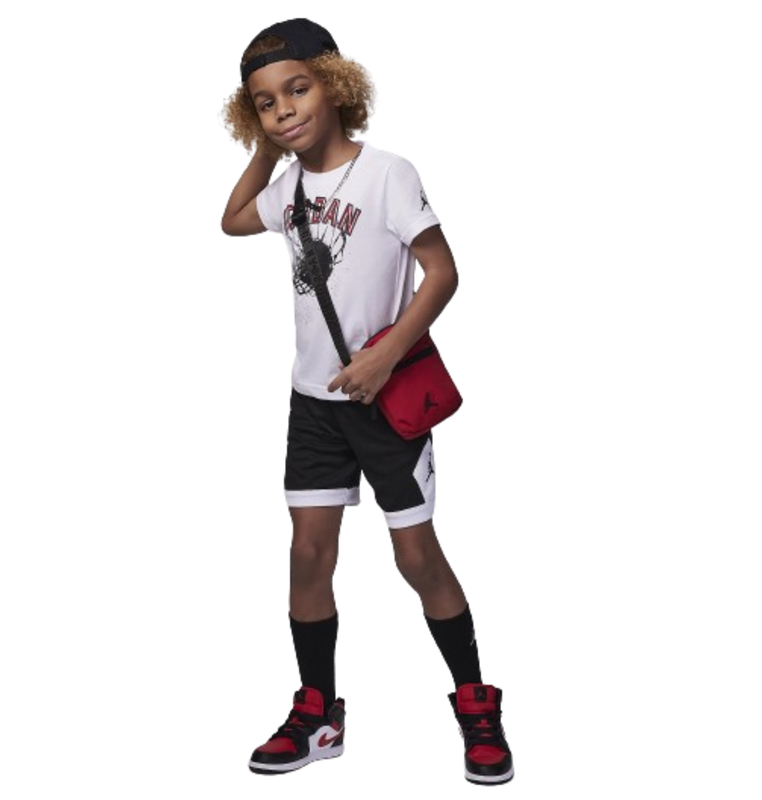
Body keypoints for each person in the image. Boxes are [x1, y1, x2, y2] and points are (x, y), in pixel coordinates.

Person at [221, 18, 513, 786]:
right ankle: (318, 712)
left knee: (416, 557)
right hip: (313, 404)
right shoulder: (287, 189)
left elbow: (443, 271)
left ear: (336, 84)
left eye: (297, 90)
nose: (284, 109)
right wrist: (265, 148)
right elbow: (231, 220)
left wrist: (386, 356)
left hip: (385, 403)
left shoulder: (387, 173)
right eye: (264, 103)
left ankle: (475, 701)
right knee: (307, 555)